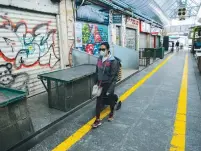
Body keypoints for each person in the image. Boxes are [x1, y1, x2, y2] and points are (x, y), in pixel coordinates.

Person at [92, 42, 119, 128]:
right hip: (100, 83)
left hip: (108, 83)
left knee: (110, 100)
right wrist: (95, 82)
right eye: (100, 49)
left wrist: (110, 89)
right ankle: (97, 120)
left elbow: (114, 76)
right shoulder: (99, 58)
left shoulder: (113, 61)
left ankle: (111, 113)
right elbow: (97, 71)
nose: (101, 51)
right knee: (98, 101)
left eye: (103, 49)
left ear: (108, 50)